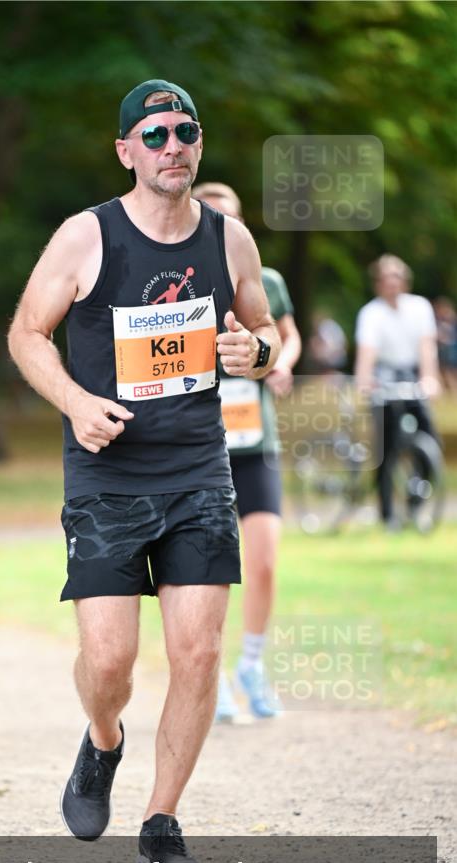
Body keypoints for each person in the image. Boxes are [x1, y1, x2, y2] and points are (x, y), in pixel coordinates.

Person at [8, 80, 280, 863]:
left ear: (198, 143)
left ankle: (161, 818)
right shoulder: (86, 237)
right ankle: (102, 741)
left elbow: (263, 332)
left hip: (199, 471)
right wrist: (73, 401)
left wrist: (255, 354)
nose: (172, 146)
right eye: (154, 134)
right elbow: (26, 333)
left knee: (196, 655)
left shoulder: (230, 241)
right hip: (106, 476)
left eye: (184, 131)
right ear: (126, 150)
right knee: (110, 662)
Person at [192, 183, 302, 722]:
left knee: (263, 561)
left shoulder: (266, 280)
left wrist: (279, 363)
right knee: (209, 569)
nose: (224, 226)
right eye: (213, 216)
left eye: (231, 218)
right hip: (199, 445)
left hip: (255, 443)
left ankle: (251, 666)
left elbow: (287, 335)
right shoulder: (182, 279)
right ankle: (210, 680)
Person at [354, 254, 441, 528]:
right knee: (386, 448)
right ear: (378, 283)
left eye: (397, 278)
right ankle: (387, 514)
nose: (392, 283)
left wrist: (430, 378)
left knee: (429, 438)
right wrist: (365, 381)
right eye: (387, 278)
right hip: (384, 378)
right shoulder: (371, 313)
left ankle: (417, 501)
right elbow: (367, 354)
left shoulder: (420, 307)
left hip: (411, 375)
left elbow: (427, 348)